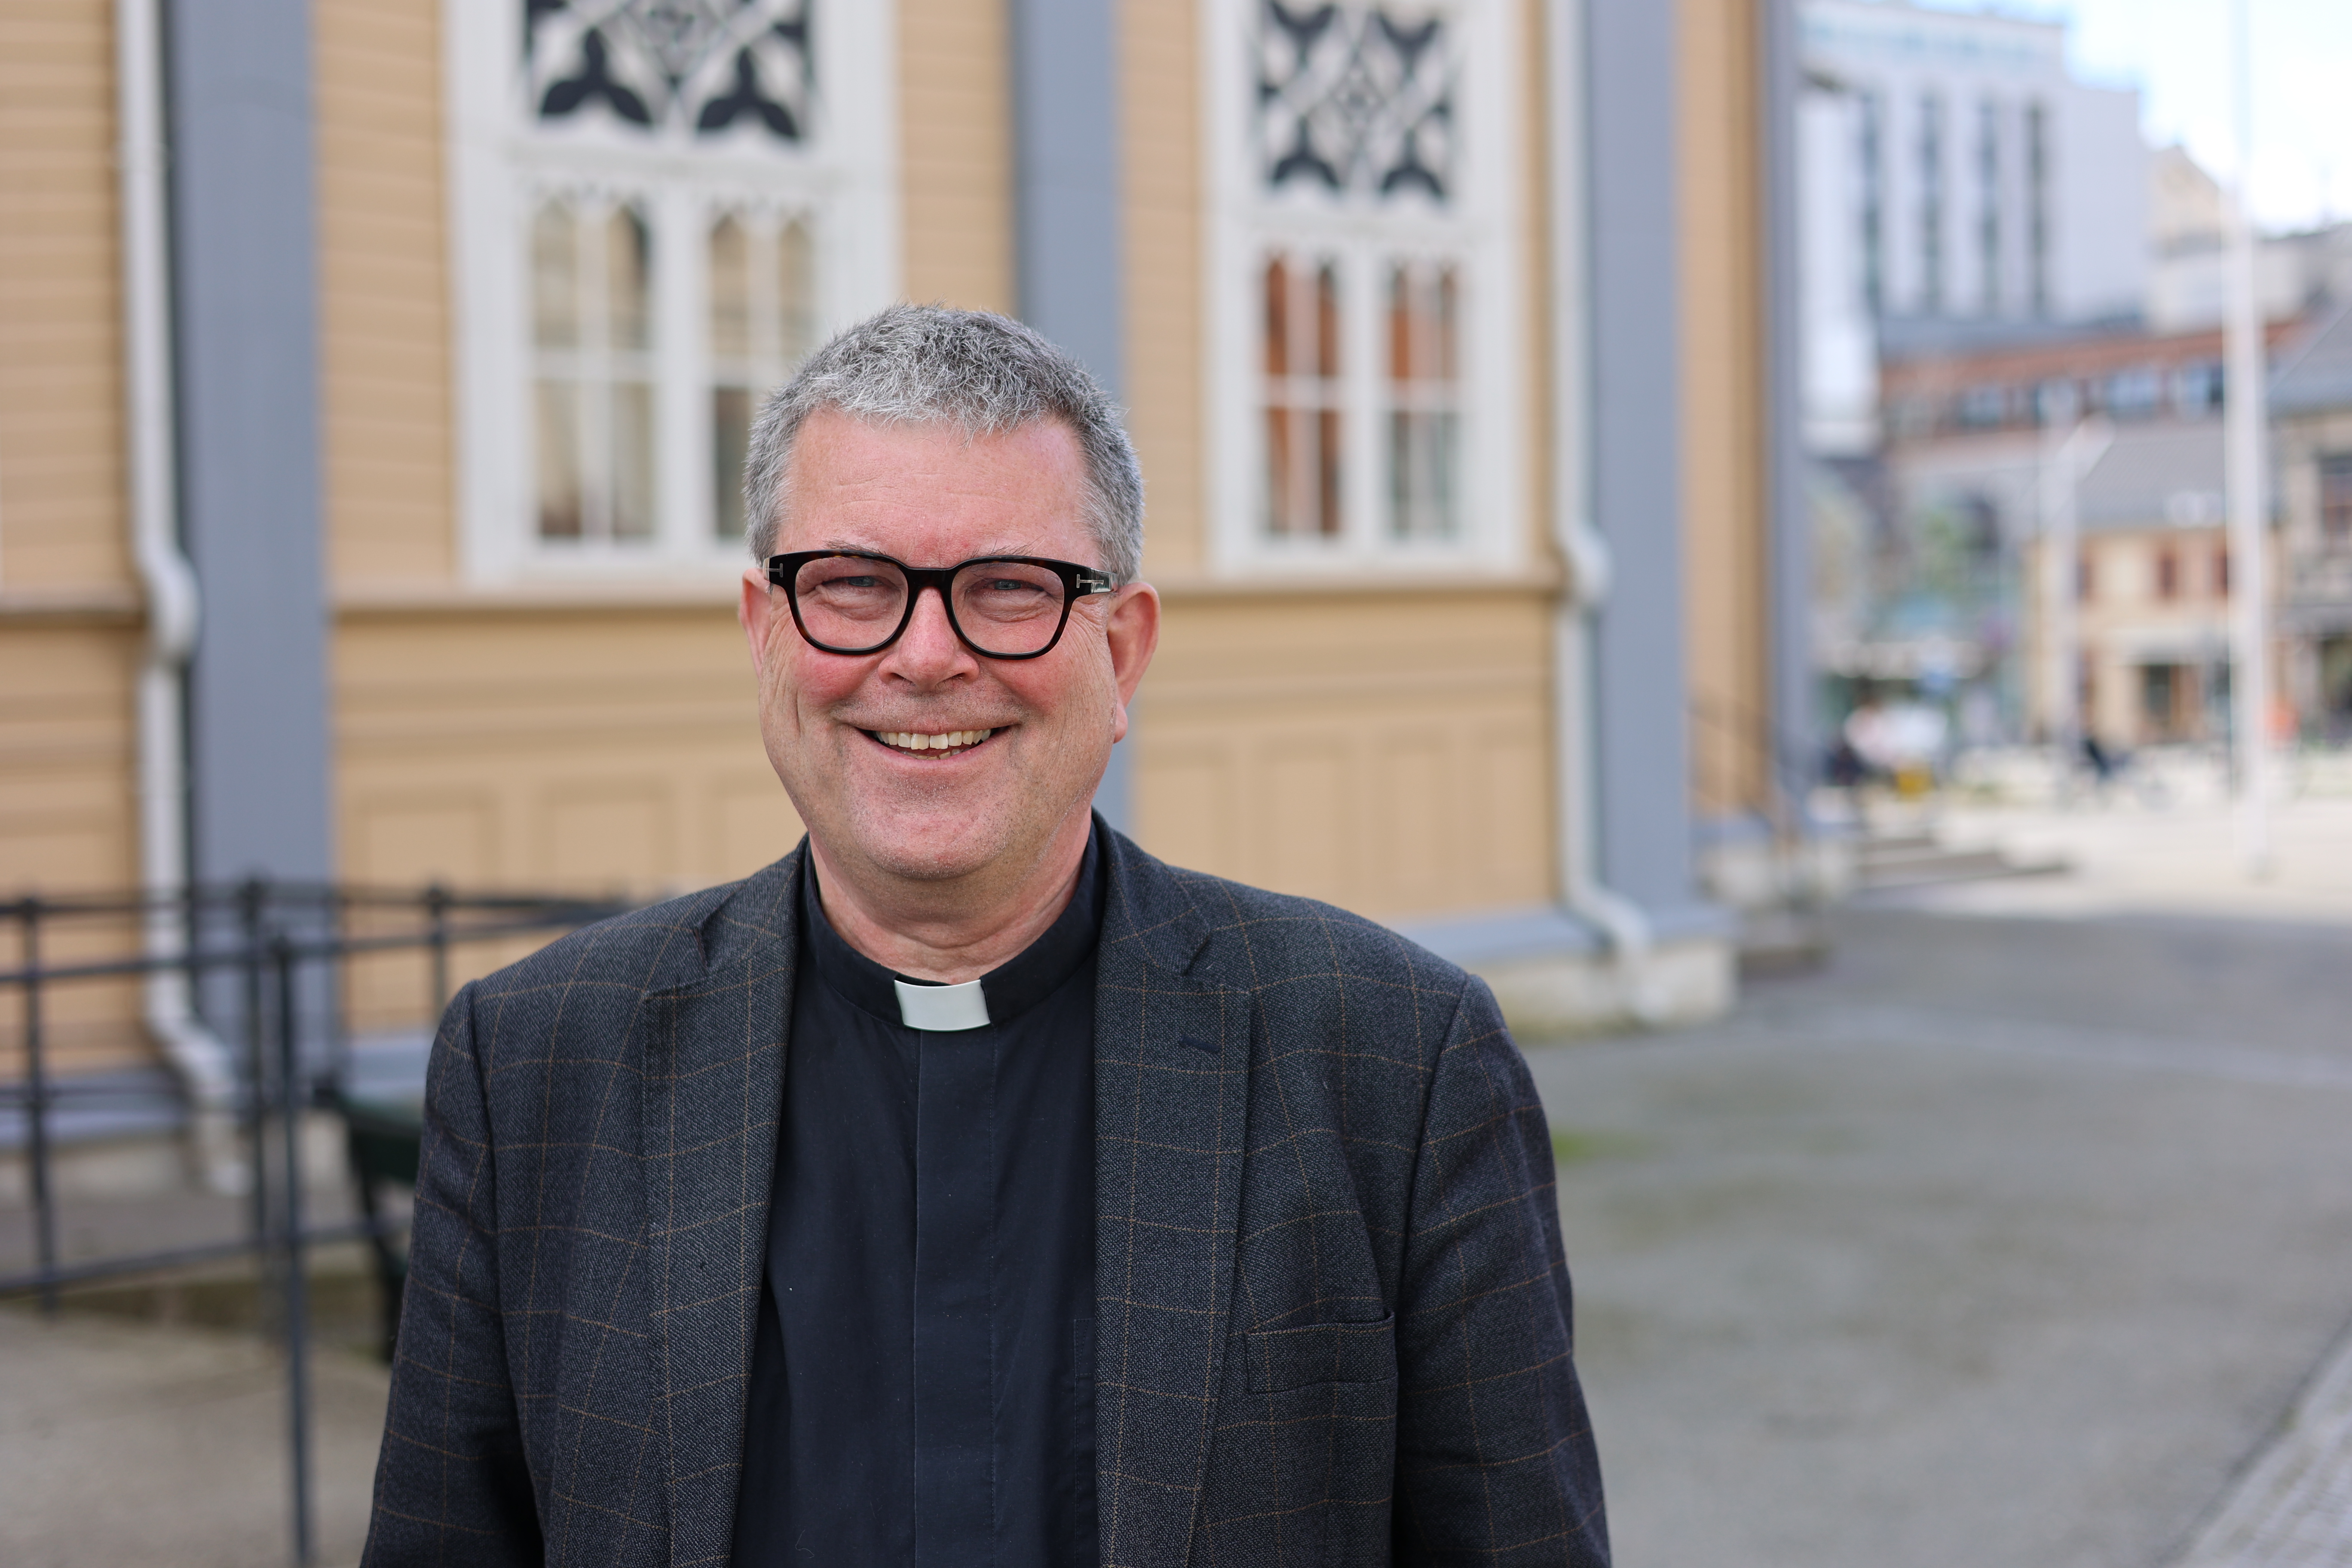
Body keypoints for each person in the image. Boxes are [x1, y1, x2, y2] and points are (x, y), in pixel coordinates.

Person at [361, 305, 1608, 1568]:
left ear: (1121, 654)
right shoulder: (536, 1066)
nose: (926, 655)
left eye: (1009, 589)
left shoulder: (1394, 1067)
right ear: (764, 636)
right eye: (852, 585)